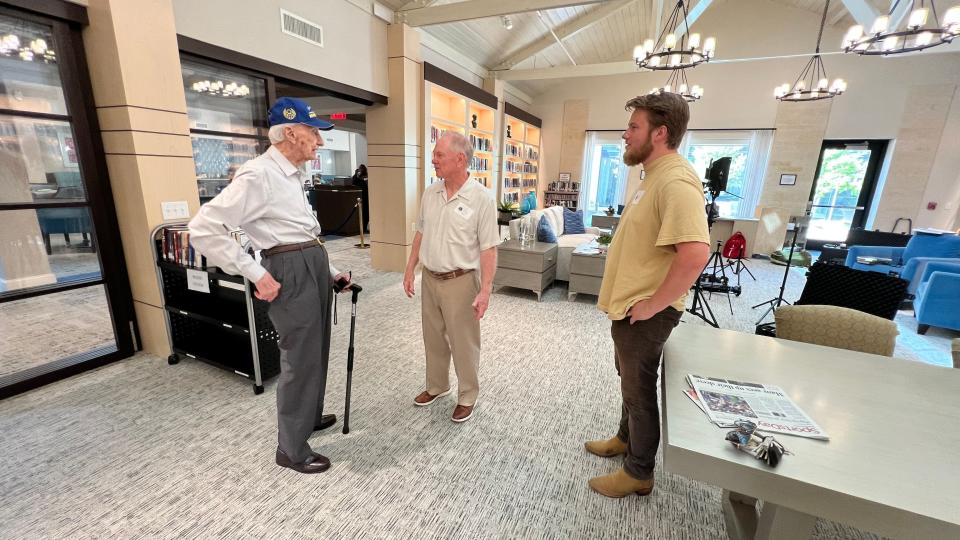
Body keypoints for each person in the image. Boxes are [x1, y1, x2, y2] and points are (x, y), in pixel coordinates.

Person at [188, 97, 352, 475]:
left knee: (316, 351)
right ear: (291, 132)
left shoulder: (293, 175)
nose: (320, 142)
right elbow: (203, 228)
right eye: (314, 132)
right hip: (289, 270)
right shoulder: (258, 174)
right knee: (299, 358)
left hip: (309, 264)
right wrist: (254, 272)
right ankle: (291, 449)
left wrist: (330, 273)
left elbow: (300, 234)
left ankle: (306, 418)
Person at [585, 92, 710, 497]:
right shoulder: (652, 176)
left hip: (647, 311)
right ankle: (625, 441)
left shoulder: (676, 181)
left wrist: (653, 305)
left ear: (660, 133)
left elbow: (694, 254)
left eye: (633, 127)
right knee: (628, 383)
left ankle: (639, 472)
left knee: (639, 393)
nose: (625, 134)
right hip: (630, 306)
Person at [403, 132, 499, 423]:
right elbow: (421, 232)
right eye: (434, 154)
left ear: (460, 159)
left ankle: (468, 394)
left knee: (463, 342)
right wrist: (411, 268)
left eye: (439, 155)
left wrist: (485, 291)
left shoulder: (481, 198)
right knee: (432, 338)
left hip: (461, 281)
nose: (433, 160)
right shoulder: (430, 193)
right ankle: (437, 385)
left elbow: (489, 248)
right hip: (431, 278)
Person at [351, 164, 369, 233]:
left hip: (366, 197)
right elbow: (354, 182)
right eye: (359, 169)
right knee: (363, 213)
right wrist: (355, 175)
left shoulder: (366, 177)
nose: (360, 170)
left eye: (361, 169)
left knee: (366, 214)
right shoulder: (357, 178)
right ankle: (362, 228)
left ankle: (364, 228)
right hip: (361, 197)